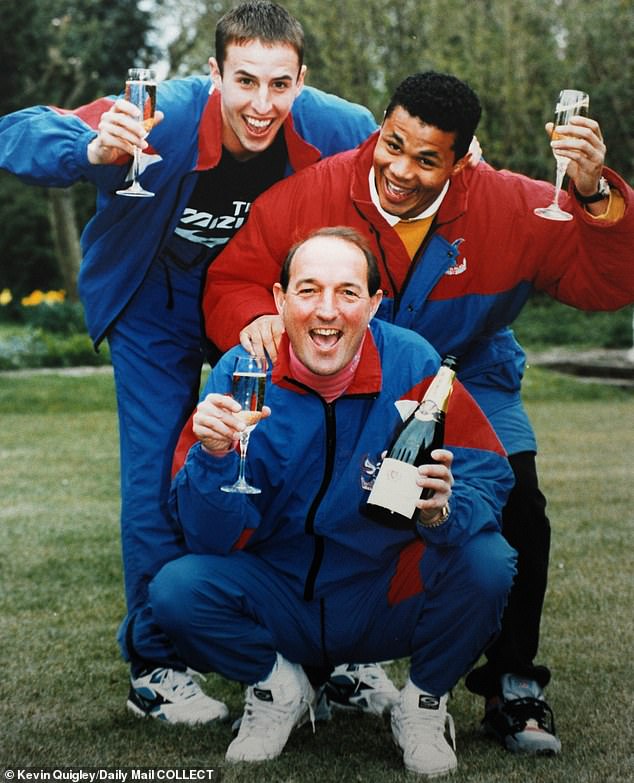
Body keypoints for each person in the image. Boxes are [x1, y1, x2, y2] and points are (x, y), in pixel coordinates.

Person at [200, 71, 634, 753]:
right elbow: (232, 280)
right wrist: (255, 314)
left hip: (466, 373)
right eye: (391, 143)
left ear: (465, 160)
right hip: (345, 371)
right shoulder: (311, 193)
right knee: (312, 492)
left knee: (516, 502)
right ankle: (324, 659)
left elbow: (607, 282)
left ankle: (513, 683)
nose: (400, 169)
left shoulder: (512, 204)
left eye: (426, 157)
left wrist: (593, 194)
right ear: (380, 125)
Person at [0, 1, 379, 723]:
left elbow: (400, 154)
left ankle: (337, 654)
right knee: (154, 474)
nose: (262, 104)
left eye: (280, 84)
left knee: (305, 449)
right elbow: (16, 130)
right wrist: (90, 151)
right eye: (244, 82)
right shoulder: (161, 114)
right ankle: (157, 666)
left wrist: (464, 159)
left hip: (258, 299)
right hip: (155, 300)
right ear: (213, 75)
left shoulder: (335, 125)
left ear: (302, 81)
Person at [150, 227, 517, 776]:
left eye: (348, 292)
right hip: (281, 595)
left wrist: (444, 509)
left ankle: (420, 704)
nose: (327, 311)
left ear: (373, 304)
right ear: (279, 300)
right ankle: (279, 689)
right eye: (308, 290)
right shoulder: (242, 370)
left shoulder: (414, 362)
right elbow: (207, 536)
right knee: (177, 589)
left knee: (487, 562)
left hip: (379, 595)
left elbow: (488, 473)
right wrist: (215, 458)